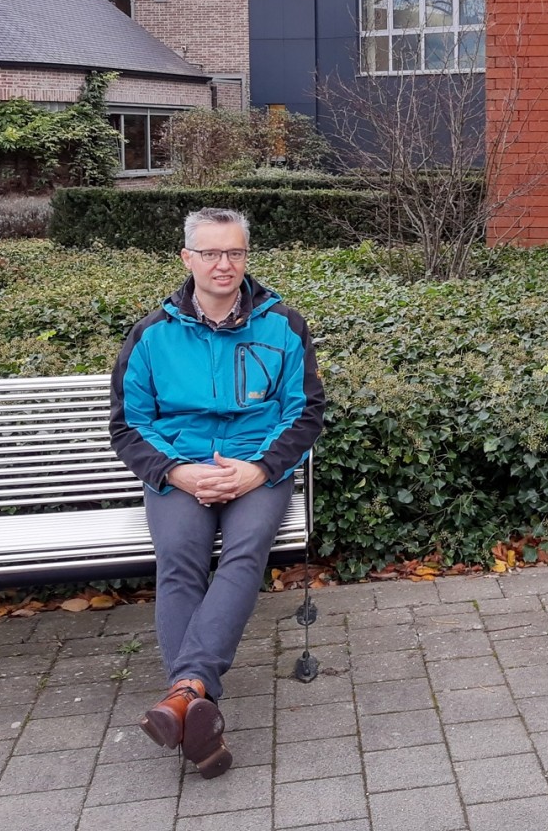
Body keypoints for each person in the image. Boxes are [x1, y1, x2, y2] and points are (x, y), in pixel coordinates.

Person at [109, 207, 325, 777]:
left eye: (234, 252)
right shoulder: (151, 333)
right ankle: (194, 704)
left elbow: (306, 414)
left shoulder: (284, 325)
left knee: (245, 553)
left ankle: (183, 694)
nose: (223, 264)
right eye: (210, 253)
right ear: (188, 259)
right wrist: (176, 471)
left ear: (246, 257)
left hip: (256, 470)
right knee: (179, 558)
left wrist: (259, 468)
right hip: (180, 471)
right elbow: (128, 424)